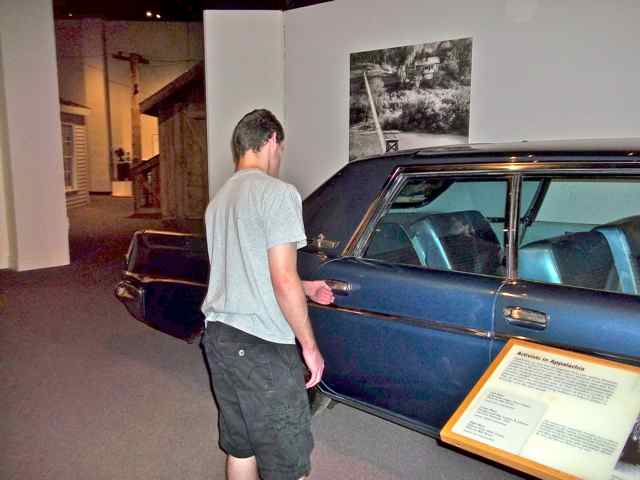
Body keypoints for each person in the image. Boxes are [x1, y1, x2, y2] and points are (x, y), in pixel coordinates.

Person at [200, 109, 334, 480]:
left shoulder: (218, 201)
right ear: (272, 140)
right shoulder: (278, 193)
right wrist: (309, 346)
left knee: (240, 447)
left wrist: (307, 287)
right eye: (281, 149)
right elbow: (282, 279)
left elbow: (245, 272)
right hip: (262, 348)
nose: (279, 158)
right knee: (288, 464)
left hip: (220, 339)